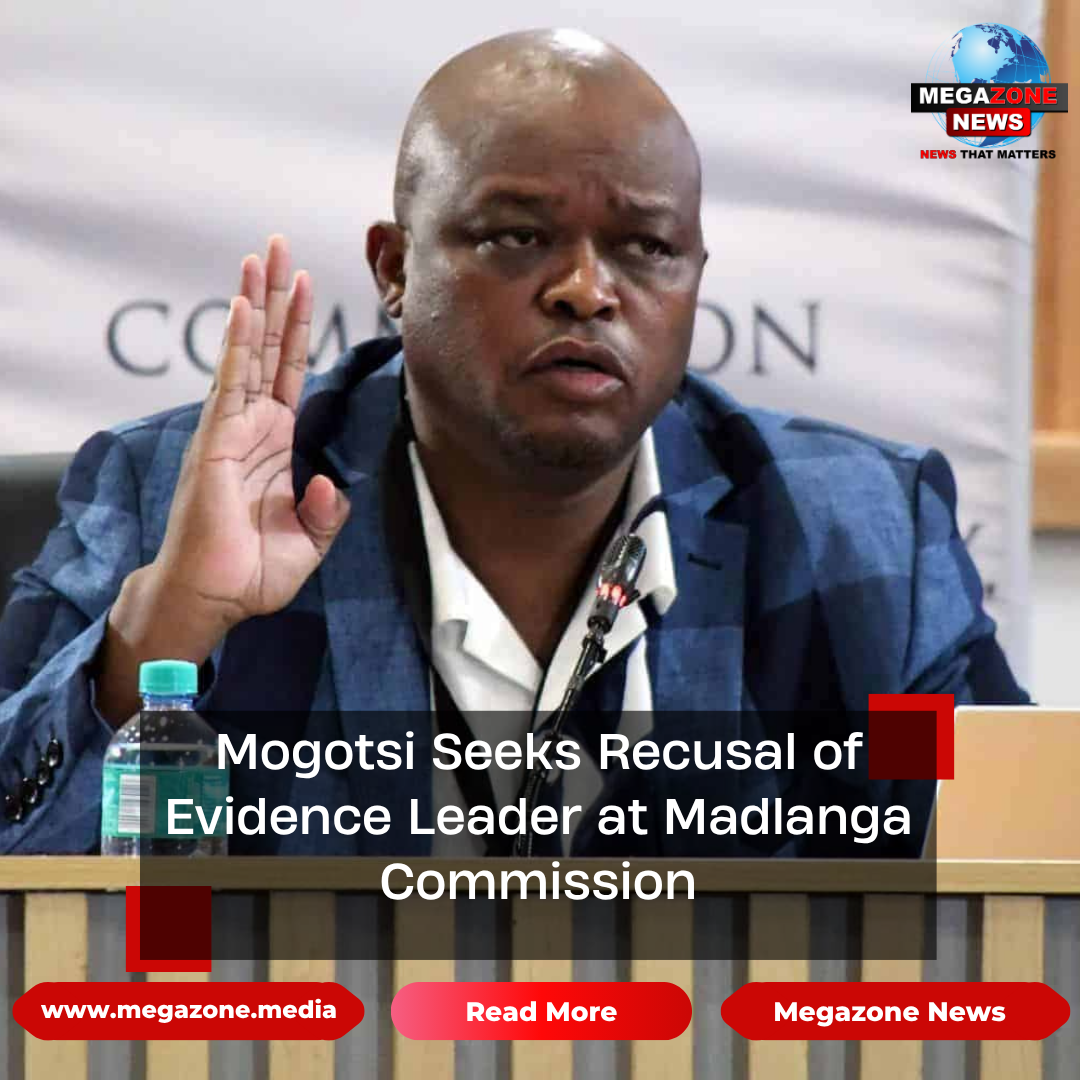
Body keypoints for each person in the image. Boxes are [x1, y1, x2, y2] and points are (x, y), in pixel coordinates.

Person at [0, 29, 1027, 856]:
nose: (587, 289)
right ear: (395, 270)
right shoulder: (178, 498)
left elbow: (1004, 886)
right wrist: (159, 640)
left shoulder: (864, 543)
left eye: (646, 247)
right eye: (518, 236)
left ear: (694, 280)